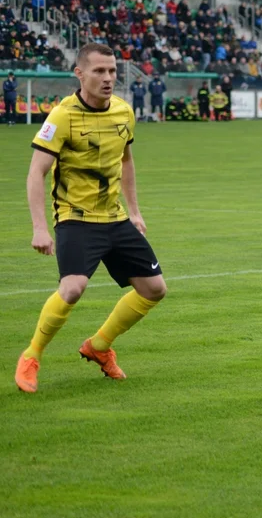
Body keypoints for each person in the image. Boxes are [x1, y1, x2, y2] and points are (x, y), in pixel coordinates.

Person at [15, 43, 167, 394]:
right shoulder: (62, 116)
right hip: (76, 218)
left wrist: (135, 211)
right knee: (72, 289)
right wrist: (40, 228)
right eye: (99, 71)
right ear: (79, 74)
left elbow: (126, 162)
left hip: (114, 219)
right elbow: (35, 173)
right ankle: (32, 355)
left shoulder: (124, 112)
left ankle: (98, 347)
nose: (108, 78)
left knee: (154, 289)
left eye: (113, 71)